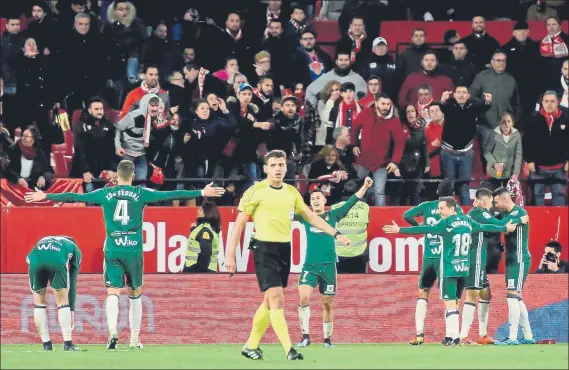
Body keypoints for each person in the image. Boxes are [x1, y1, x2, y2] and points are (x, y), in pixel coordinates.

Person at [25, 160, 225, 349]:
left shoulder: (106, 193)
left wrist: (47, 196)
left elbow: (76, 197)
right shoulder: (141, 193)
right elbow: (170, 194)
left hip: (113, 249)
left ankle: (112, 332)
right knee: (135, 293)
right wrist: (201, 191)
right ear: (133, 175)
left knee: (113, 292)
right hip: (133, 251)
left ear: (117, 175)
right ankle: (134, 339)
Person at [225, 149, 351, 361]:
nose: (277, 169)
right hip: (264, 248)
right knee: (277, 299)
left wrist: (335, 233)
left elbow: (311, 217)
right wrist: (230, 255)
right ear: (265, 169)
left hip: (284, 249)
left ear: (286, 167)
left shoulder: (291, 192)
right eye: (273, 165)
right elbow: (239, 224)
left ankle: (250, 345)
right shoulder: (255, 191)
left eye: (281, 165)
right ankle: (289, 349)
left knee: (268, 301)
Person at [384, 196, 515, 346]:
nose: (439, 212)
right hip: (464, 270)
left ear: (451, 208)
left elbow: (424, 228)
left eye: (441, 208)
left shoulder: (445, 224)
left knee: (450, 304)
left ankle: (454, 338)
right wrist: (504, 228)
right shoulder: (467, 221)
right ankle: (451, 337)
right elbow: (485, 227)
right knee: (456, 303)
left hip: (450, 270)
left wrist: (400, 229)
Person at [297, 177, 373, 348]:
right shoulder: (305, 216)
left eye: (318, 198)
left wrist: (365, 187)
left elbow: (352, 202)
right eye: (312, 199)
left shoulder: (333, 214)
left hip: (329, 266)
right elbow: (284, 212)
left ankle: (327, 339)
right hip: (310, 265)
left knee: (327, 303)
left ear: (325, 200)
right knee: (303, 298)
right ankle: (305, 336)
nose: (315, 201)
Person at [459, 188, 528, 345]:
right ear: (484, 201)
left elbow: (493, 223)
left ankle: (482, 335)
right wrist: (518, 220)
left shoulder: (476, 214)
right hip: (474, 259)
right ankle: (463, 336)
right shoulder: (480, 212)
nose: (492, 205)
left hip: (478, 260)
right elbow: (500, 224)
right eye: (491, 202)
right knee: (472, 295)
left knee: (485, 295)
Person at [403, 179, 462, 345]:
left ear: (437, 191)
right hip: (446, 259)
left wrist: (421, 228)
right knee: (450, 298)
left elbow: (406, 215)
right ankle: (451, 335)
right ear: (452, 194)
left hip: (429, 258)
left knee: (423, 293)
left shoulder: (428, 206)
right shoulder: (453, 208)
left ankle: (420, 334)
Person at [492, 187, 536, 345]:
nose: (495, 205)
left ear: (505, 200)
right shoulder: (507, 215)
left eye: (496, 202)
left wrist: (517, 221)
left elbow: (505, 224)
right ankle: (529, 336)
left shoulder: (519, 213)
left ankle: (512, 337)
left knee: (512, 297)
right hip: (510, 260)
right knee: (516, 298)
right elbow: (498, 223)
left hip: (519, 260)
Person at [26, 236, 82, 351]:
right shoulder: (74, 248)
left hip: (35, 260)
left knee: (39, 302)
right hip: (56, 261)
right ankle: (68, 344)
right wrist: (71, 310)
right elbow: (72, 280)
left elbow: (28, 259)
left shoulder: (43, 239)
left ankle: (46, 345)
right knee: (62, 301)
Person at [524, 91, 568, 206]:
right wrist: (529, 160)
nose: (549, 104)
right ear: (542, 102)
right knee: (538, 196)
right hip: (539, 167)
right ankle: (539, 224)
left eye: (552, 101)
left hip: (559, 167)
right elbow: (527, 142)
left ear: (558, 102)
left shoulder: (565, 118)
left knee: (559, 196)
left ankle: (559, 224)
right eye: (546, 101)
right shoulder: (533, 119)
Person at [483, 112, 523, 190]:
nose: (506, 124)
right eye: (503, 122)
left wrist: (516, 173)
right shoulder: (494, 134)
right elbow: (487, 152)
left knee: (508, 197)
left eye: (509, 121)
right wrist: (495, 164)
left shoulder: (516, 135)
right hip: (495, 173)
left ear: (512, 123)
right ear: (500, 123)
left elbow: (518, 155)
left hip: (510, 172)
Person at [183, 201, 221, 273]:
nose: (197, 211)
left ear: (206, 213)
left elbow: (206, 254)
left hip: (198, 271)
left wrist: (196, 271)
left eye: (200, 210)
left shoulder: (205, 231)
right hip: (201, 270)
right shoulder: (205, 228)